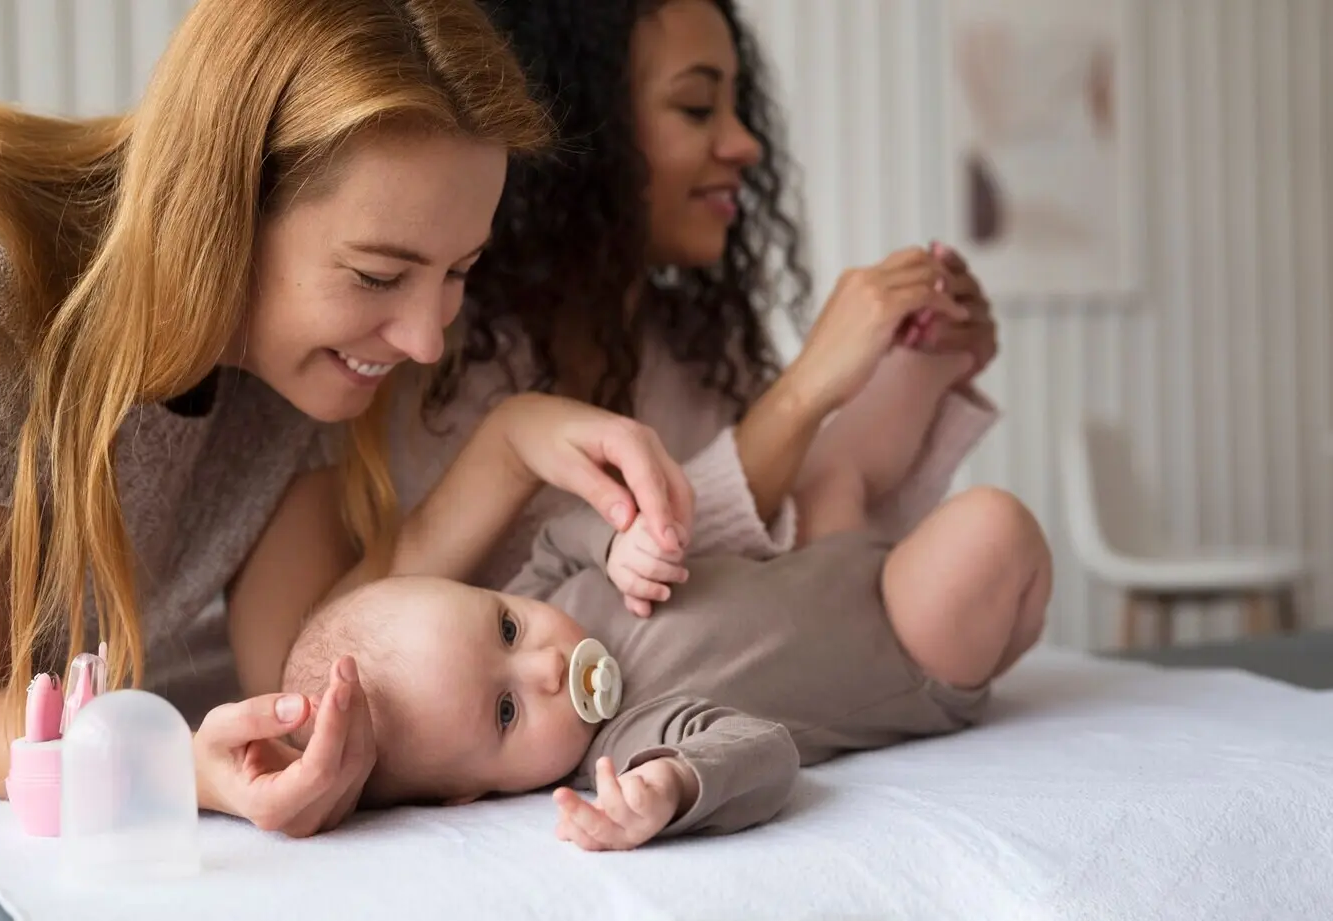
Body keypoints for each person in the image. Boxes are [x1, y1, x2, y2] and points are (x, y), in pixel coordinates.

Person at [0, 0, 692, 840]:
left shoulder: (292, 368)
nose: (424, 340)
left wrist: (511, 444)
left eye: (459, 270)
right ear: (224, 209)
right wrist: (171, 766)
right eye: (378, 276)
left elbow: (307, 665)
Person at [284, 324, 1051, 846]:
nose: (545, 664)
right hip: (897, 638)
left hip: (822, 561)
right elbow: (763, 751)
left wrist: (615, 541)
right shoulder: (628, 743)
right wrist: (676, 787)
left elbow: (558, 535)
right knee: (992, 524)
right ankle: (1004, 625)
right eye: (507, 710)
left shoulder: (544, 591)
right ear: (473, 792)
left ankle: (934, 351)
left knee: (834, 470)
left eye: (506, 628)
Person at [388, 0, 1003, 610]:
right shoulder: (436, 356)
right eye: (697, 107)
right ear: (582, 127)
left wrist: (923, 369)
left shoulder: (702, 349)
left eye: (739, 108)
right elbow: (542, 606)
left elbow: (806, 559)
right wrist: (802, 393)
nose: (745, 145)